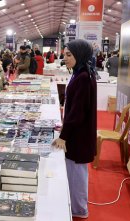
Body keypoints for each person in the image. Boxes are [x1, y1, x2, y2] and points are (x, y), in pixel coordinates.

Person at [52, 39, 97, 219]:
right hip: (77, 132)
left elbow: (78, 112)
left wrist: (64, 136)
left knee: (77, 172)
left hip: (79, 135)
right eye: (65, 54)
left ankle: (79, 209)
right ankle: (75, 204)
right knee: (73, 171)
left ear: (80, 55)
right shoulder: (80, 73)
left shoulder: (84, 77)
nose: (65, 58)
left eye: (69, 55)